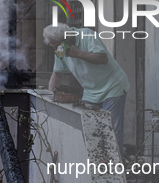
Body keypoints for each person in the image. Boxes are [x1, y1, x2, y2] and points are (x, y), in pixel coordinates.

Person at [43, 23, 130, 157]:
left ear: (65, 39)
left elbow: (103, 58)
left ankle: (115, 168)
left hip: (112, 86)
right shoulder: (60, 49)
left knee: (110, 131)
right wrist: (49, 97)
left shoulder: (87, 35)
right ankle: (96, 166)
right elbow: (57, 73)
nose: (55, 49)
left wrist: (78, 53)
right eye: (52, 46)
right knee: (89, 129)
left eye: (57, 45)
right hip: (90, 91)